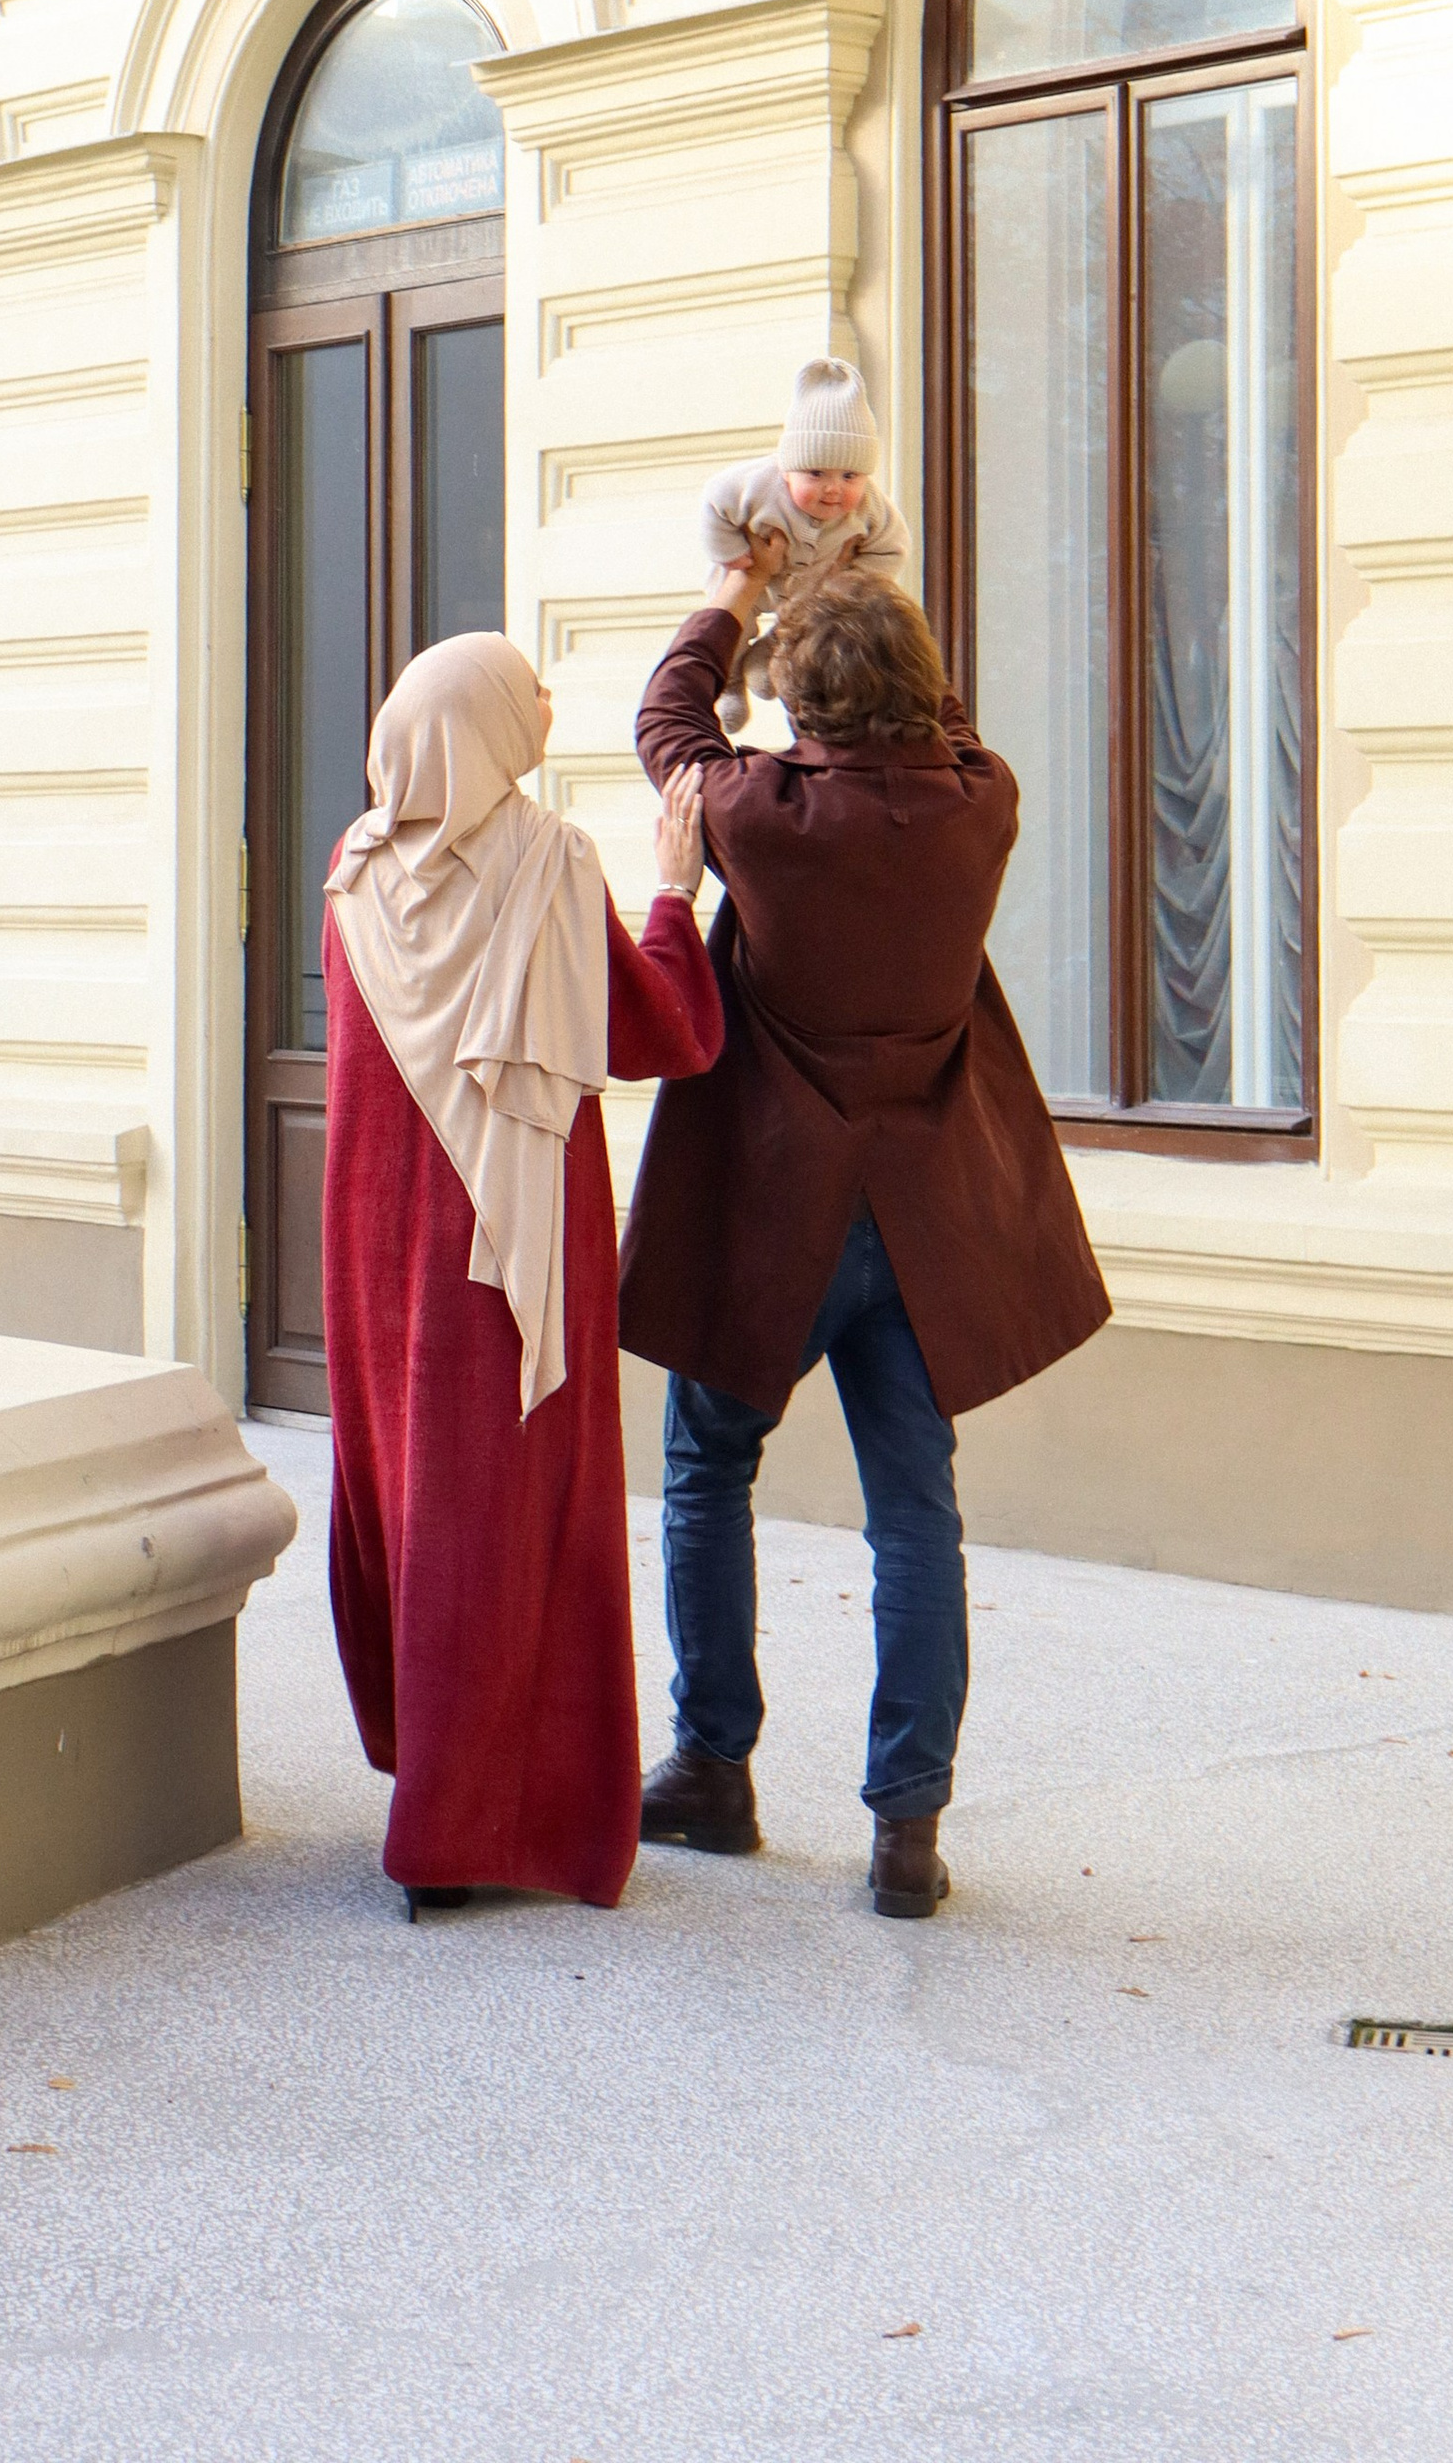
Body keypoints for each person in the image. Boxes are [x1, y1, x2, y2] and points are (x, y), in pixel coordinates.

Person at [619, 546, 1111, 1918]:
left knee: (711, 1469)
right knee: (915, 1515)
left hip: (773, 1208)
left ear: (797, 707)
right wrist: (866, 576)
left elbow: (667, 718)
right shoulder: (981, 807)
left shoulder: (753, 811)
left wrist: (732, 593)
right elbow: (948, 728)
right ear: (924, 689)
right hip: (923, 1220)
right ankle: (908, 1833)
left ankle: (714, 1770)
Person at [321, 633, 722, 1918]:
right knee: (512, 1522)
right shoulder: (549, 864)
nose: (545, 702)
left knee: (413, 1504)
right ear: (487, 729)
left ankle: (428, 1786)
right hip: (512, 1249)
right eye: (524, 689)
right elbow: (661, 1029)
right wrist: (678, 893)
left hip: (375, 1252)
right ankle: (484, 1825)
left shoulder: (351, 873)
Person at [698, 355, 914, 736]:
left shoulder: (871, 507)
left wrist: (852, 578)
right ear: (787, 468)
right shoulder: (756, 485)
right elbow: (714, 503)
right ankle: (730, 683)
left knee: (809, 629)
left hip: (813, 586)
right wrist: (731, 553)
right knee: (730, 624)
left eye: (850, 476)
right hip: (750, 572)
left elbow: (892, 548)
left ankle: (769, 655)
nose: (834, 488)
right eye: (816, 474)